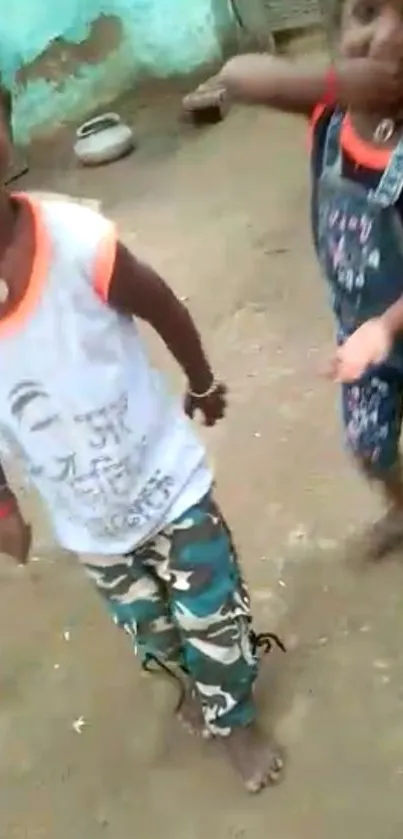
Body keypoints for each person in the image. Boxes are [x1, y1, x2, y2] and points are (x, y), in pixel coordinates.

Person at [0, 92, 285, 793]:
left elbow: (157, 301)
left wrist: (202, 379)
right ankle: (195, 686)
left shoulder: (72, 238)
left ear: (4, 126)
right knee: (151, 631)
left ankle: (236, 717)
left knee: (212, 615)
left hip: (166, 484)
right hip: (90, 523)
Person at [219, 0, 403, 560]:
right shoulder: (329, 117)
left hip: (385, 328)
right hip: (364, 340)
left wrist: (388, 326)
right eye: (367, 12)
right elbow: (237, 75)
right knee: (367, 446)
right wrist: (338, 83)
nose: (388, 40)